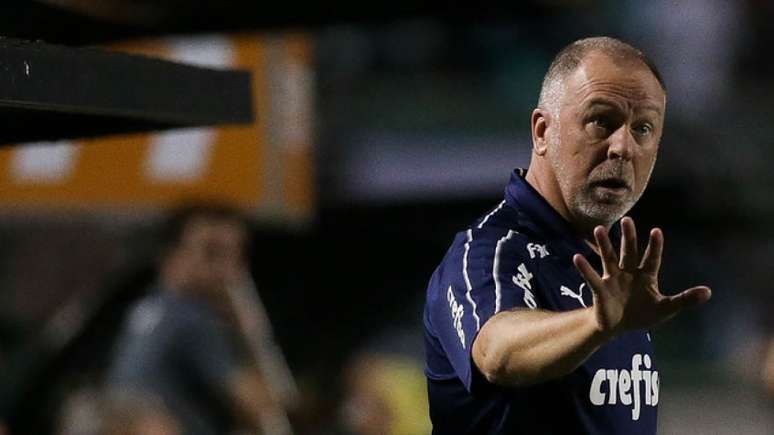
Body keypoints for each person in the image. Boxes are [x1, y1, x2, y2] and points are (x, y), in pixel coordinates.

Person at [422, 36, 712, 434]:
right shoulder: (489, 251)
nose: (623, 147)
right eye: (602, 121)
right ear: (542, 131)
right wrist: (597, 323)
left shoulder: (615, 281)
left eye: (643, 128)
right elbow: (497, 352)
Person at [106, 203, 286, 435]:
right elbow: (261, 405)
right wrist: (247, 335)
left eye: (237, 255)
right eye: (212, 254)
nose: (230, 270)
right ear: (172, 257)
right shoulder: (191, 318)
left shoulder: (149, 307)